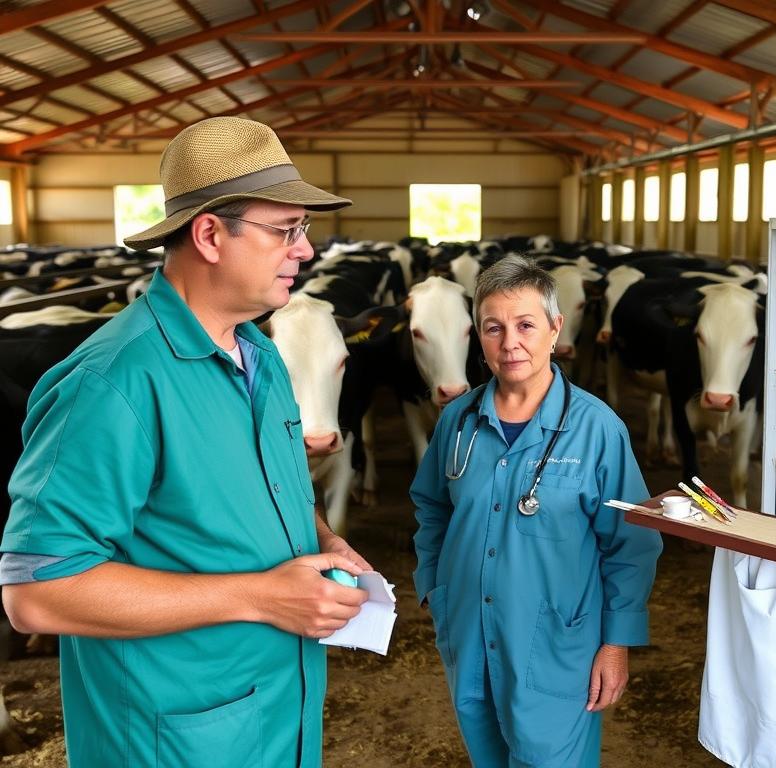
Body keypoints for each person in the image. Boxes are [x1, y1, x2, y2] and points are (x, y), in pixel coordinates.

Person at [0, 116, 372, 768]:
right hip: (171, 739)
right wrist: (259, 595)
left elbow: (268, 485)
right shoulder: (113, 383)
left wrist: (324, 540)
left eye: (303, 230)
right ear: (208, 235)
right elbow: (36, 592)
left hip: (273, 716)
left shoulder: (261, 354)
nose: (305, 250)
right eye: (285, 230)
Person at [412, 255, 662, 767]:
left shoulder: (597, 429)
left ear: (555, 328)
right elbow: (432, 508)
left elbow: (631, 542)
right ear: (476, 336)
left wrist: (617, 644)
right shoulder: (457, 421)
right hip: (469, 634)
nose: (510, 343)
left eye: (526, 325)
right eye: (493, 328)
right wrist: (433, 588)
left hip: (557, 645)